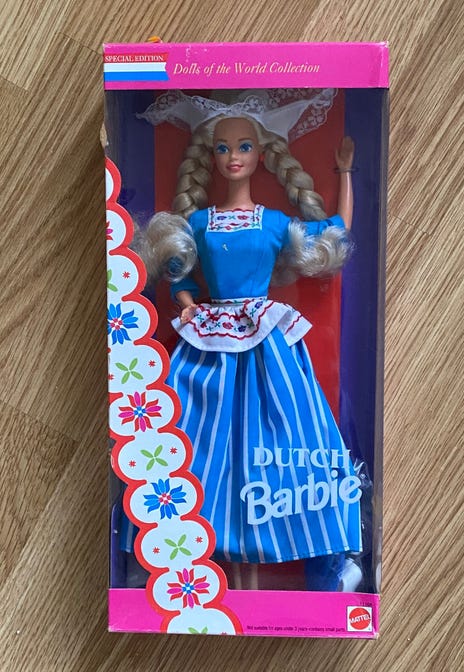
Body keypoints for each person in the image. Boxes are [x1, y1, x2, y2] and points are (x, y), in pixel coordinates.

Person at [135, 90, 362, 590]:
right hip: (210, 338)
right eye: (222, 148)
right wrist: (186, 301)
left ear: (261, 154)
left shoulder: (273, 223)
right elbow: (179, 269)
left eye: (242, 147)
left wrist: (345, 172)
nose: (232, 157)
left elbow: (335, 229)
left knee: (286, 431)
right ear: (210, 156)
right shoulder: (199, 222)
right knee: (198, 434)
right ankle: (197, 542)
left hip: (265, 339)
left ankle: (299, 545)